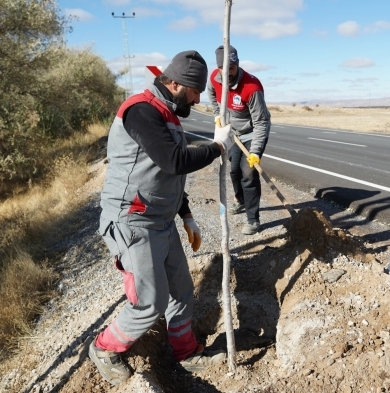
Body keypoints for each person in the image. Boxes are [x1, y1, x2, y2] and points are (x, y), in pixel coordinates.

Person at [89, 50, 234, 386]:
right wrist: (217, 148)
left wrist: (186, 215)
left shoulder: (168, 113)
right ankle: (104, 348)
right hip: (132, 221)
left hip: (161, 221)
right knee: (150, 302)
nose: (198, 98)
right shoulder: (140, 111)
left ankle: (185, 351)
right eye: (195, 91)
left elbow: (164, 176)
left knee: (182, 290)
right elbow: (173, 161)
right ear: (174, 83)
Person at [207, 45, 271, 235]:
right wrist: (218, 114)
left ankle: (253, 219)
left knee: (248, 173)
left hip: (252, 133)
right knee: (234, 171)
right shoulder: (214, 79)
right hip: (233, 133)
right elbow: (211, 93)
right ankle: (240, 201)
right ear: (218, 68)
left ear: (237, 64)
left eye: (232, 68)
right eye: (224, 69)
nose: (228, 73)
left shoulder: (252, 87)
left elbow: (261, 122)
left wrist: (255, 152)